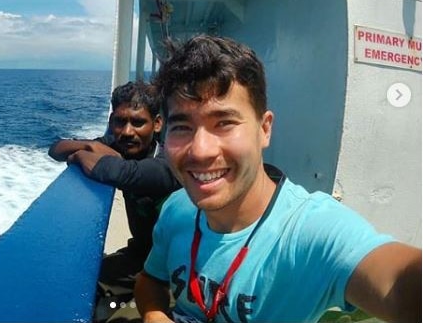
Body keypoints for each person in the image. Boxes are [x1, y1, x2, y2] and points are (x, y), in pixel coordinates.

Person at [135, 34, 422, 323]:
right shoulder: (177, 208)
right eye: (182, 127)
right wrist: (154, 313)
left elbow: (400, 285)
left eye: (224, 123)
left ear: (264, 129)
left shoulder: (310, 232)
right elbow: (151, 279)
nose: (200, 150)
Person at [48, 80, 181, 322]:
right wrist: (89, 145)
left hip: (173, 274)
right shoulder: (121, 144)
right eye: (120, 122)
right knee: (76, 279)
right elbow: (55, 149)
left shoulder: (166, 165)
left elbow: (119, 172)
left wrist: (80, 155)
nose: (128, 131)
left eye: (138, 122)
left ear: (158, 124)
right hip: (140, 255)